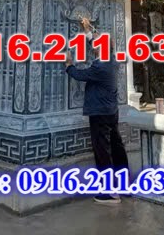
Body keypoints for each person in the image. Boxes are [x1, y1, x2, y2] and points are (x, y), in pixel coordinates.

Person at [65, 17, 129, 205]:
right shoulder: (112, 60)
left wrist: (68, 65)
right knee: (116, 147)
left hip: (100, 113)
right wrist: (88, 29)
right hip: (111, 111)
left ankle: (109, 193)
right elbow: (98, 42)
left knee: (103, 151)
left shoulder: (100, 66)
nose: (93, 46)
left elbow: (79, 74)